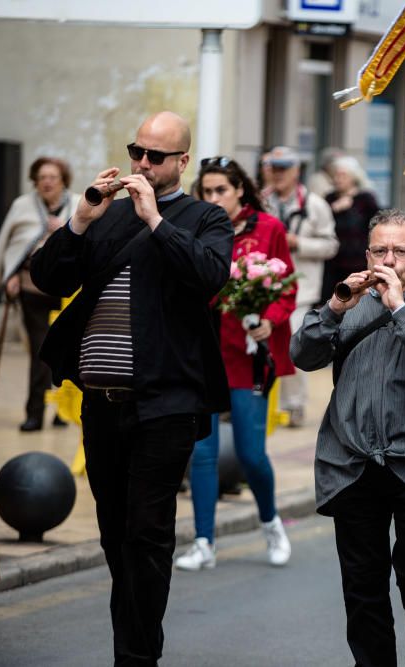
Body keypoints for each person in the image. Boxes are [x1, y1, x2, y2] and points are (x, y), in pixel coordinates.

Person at [30, 111, 232, 664]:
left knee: (147, 534)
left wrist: (154, 220)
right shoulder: (106, 217)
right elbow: (47, 280)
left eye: (155, 157)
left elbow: (210, 276)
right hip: (101, 404)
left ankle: (136, 657)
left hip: (165, 405)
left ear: (181, 162)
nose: (142, 164)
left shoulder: (205, 218)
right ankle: (137, 642)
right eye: (137, 151)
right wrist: (78, 221)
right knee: (115, 534)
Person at [291, 209, 405, 667]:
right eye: (381, 250)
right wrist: (332, 309)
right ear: (367, 255)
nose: (390, 259)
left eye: (401, 251)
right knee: (363, 586)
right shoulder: (349, 305)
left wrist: (399, 308)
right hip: (352, 463)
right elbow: (302, 355)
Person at [174, 157, 296, 572]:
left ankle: (271, 521)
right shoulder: (195, 229)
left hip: (249, 356)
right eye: (205, 192)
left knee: (249, 452)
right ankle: (204, 541)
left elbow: (286, 288)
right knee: (202, 453)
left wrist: (269, 320)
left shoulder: (268, 228)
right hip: (205, 353)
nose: (212, 198)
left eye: (220, 190)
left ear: (239, 189)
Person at [0, 157, 79, 432]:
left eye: (53, 176)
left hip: (66, 290)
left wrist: (63, 230)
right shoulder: (23, 206)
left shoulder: (78, 204)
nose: (48, 182)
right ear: (35, 181)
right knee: (41, 351)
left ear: (63, 179)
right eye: (42, 177)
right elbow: (11, 245)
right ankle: (35, 413)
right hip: (31, 286)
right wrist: (11, 275)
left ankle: (63, 411)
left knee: (67, 351)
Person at [262, 146, 339, 427]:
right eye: (274, 168)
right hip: (267, 287)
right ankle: (268, 401)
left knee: (292, 342)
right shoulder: (261, 200)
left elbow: (331, 245)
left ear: (296, 171)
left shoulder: (315, 205)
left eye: (284, 169)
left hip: (301, 289)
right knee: (263, 344)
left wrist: (299, 244)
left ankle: (294, 405)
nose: (278, 174)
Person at [321, 156, 380, 305]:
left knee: (358, 299)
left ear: (354, 177)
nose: (338, 179)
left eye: (343, 175)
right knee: (333, 299)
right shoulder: (329, 199)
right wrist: (334, 209)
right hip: (333, 261)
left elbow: (376, 224)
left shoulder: (365, 199)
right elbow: (320, 221)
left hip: (358, 259)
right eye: (336, 174)